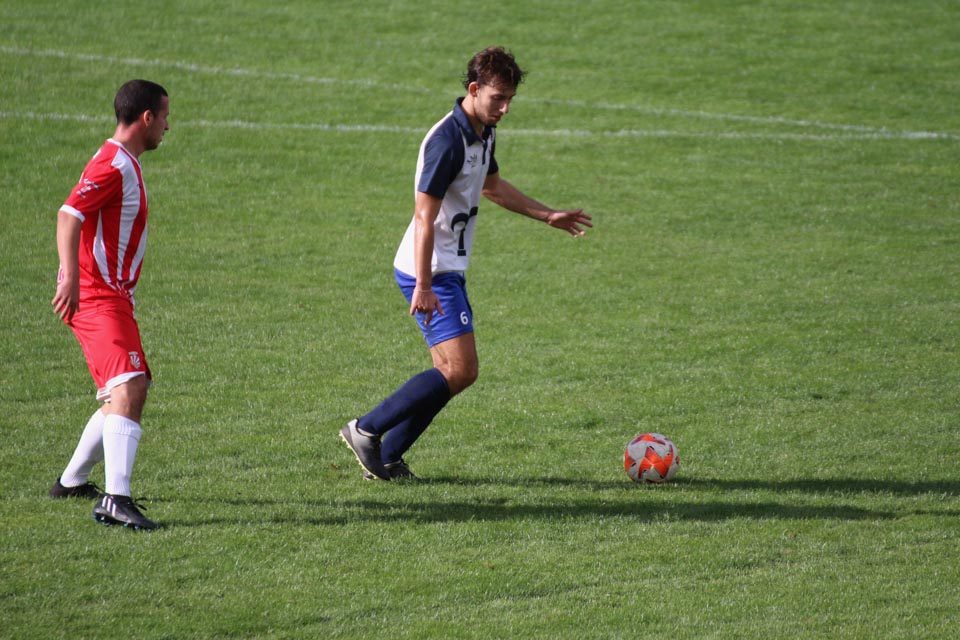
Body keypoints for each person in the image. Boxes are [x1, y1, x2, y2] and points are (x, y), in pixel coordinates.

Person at [340, 46, 592, 481]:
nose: (505, 109)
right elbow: (424, 218)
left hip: (446, 268)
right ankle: (366, 429)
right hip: (430, 270)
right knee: (461, 369)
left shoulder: (483, 131)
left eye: (510, 99)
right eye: (498, 98)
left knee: (453, 373)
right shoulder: (447, 141)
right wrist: (423, 285)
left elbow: (492, 186)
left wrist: (547, 215)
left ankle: (388, 456)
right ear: (474, 90)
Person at [49, 79, 170, 530]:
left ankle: (71, 481)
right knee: (129, 388)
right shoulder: (114, 164)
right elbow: (69, 215)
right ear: (146, 118)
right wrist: (70, 277)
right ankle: (116, 499)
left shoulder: (121, 160)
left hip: (112, 295)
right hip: (98, 296)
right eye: (164, 117)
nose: (167, 126)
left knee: (128, 387)